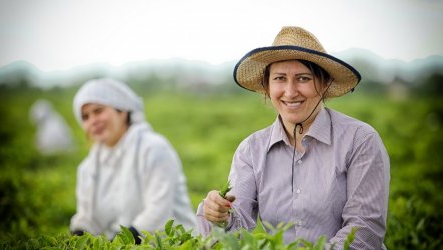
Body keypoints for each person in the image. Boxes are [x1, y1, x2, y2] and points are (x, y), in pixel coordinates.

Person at [196, 26, 390, 249]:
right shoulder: (251, 150)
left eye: (303, 78)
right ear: (267, 87)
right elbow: (237, 227)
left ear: (324, 83)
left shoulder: (360, 140)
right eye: (279, 78)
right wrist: (221, 216)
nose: (290, 92)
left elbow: (364, 231)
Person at [69, 78, 197, 243]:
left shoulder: (153, 148)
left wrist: (116, 244)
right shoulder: (88, 168)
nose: (93, 121)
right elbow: (87, 218)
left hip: (175, 244)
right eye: (85, 117)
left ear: (122, 111)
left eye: (98, 111)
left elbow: (158, 212)